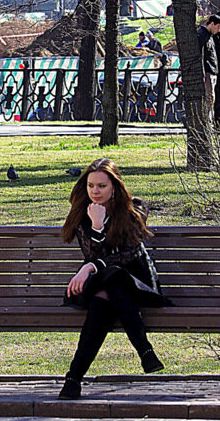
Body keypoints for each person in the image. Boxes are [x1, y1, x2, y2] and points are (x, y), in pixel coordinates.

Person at [58, 159, 172, 400]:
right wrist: (97, 227)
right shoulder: (83, 215)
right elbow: (95, 257)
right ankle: (145, 350)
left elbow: (129, 255)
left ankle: (73, 378)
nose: (95, 192)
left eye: (101, 186)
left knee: (113, 281)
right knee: (106, 290)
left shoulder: (134, 209)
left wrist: (89, 266)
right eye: (91, 186)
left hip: (138, 284)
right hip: (106, 284)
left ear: (115, 187)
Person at [196, 14, 220, 116]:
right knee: (209, 98)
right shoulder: (202, 35)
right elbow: (201, 55)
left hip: (212, 71)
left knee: (211, 98)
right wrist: (203, 73)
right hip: (207, 72)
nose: (219, 30)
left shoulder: (210, 36)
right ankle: (207, 121)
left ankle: (208, 120)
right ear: (212, 24)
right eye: (218, 27)